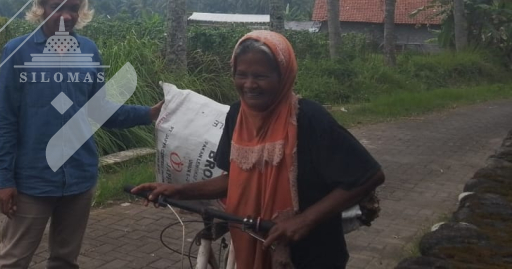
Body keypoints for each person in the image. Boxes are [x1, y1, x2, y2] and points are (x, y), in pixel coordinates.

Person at [132, 30, 385, 269]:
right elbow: (233, 180)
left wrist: (304, 221)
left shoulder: (308, 118)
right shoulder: (236, 115)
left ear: (283, 76)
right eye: (241, 74)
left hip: (311, 253)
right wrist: (177, 190)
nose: (249, 84)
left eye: (261, 76)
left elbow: (368, 176)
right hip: (250, 241)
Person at [0, 0, 163, 268]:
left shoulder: (88, 50)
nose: (66, 15)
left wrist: (148, 114)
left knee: (65, 260)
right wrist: (5, 180)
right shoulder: (18, 51)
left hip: (79, 178)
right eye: (57, 6)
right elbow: (6, 120)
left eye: (73, 7)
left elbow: (99, 110)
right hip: (33, 180)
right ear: (41, 6)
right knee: (13, 261)